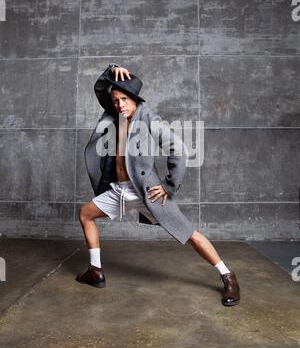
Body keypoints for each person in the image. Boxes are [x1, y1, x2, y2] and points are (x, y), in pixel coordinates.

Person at [76, 63, 240, 306]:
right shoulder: (115, 114)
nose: (119, 104)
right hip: (119, 189)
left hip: (145, 191)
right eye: (115, 100)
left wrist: (168, 186)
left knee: (189, 234)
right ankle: (96, 271)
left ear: (135, 99)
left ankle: (228, 276)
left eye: (124, 99)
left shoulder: (148, 118)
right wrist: (112, 70)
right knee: (85, 214)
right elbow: (101, 89)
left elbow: (179, 151)